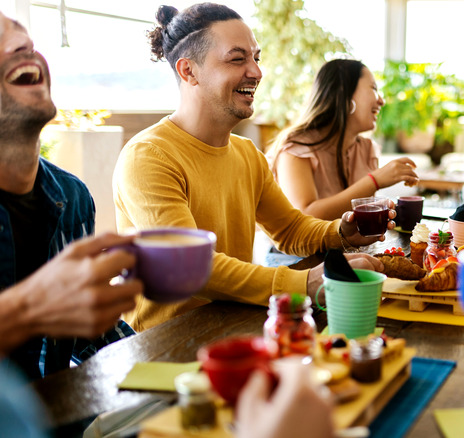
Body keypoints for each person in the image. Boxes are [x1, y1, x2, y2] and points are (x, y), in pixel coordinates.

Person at [112, 3, 385, 332]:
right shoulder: (149, 156)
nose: (256, 71)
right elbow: (194, 268)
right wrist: (305, 282)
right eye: (237, 58)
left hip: (233, 324)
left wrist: (340, 232)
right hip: (162, 345)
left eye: (256, 57)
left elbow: (291, 231)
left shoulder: (246, 153)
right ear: (189, 71)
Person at [0, 10, 141, 380]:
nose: (22, 47)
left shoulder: (73, 196)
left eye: (27, 42)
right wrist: (28, 308)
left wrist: (162, 367)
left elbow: (85, 335)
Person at [270, 59, 418, 220]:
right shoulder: (296, 148)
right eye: (374, 89)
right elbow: (305, 216)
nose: (381, 101)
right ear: (344, 93)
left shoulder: (366, 149)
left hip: (348, 245)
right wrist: (374, 181)